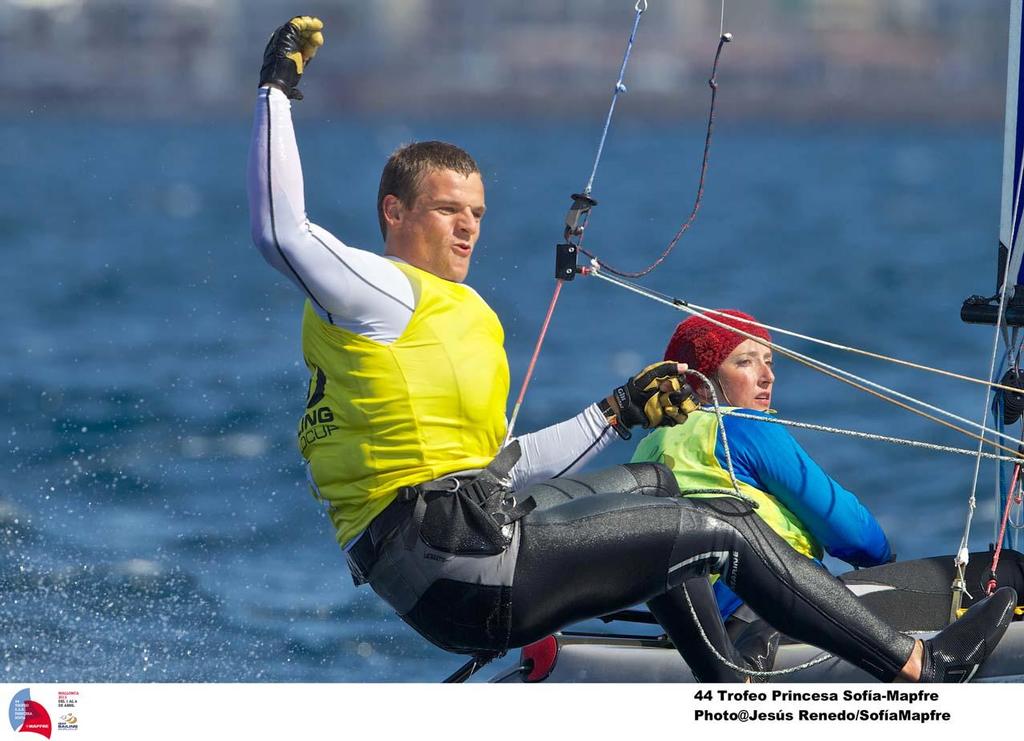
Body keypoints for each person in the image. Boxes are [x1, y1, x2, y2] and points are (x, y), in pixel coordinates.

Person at [246, 16, 1016, 683]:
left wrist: (617, 410)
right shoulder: (378, 290)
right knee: (719, 528)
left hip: (461, 533)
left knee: (665, 484)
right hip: (454, 561)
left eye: (476, 212)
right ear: (394, 211)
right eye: (448, 209)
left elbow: (502, 465)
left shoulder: (449, 314)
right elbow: (281, 231)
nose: (468, 227)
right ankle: (924, 667)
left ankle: (720, 677)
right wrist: (276, 90)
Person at [634, 308, 1024, 673]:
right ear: (697, 382)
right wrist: (883, 557)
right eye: (745, 361)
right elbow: (852, 533)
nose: (767, 376)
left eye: (769, 361)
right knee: (1010, 569)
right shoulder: (743, 426)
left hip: (694, 630)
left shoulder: (649, 447)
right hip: (781, 615)